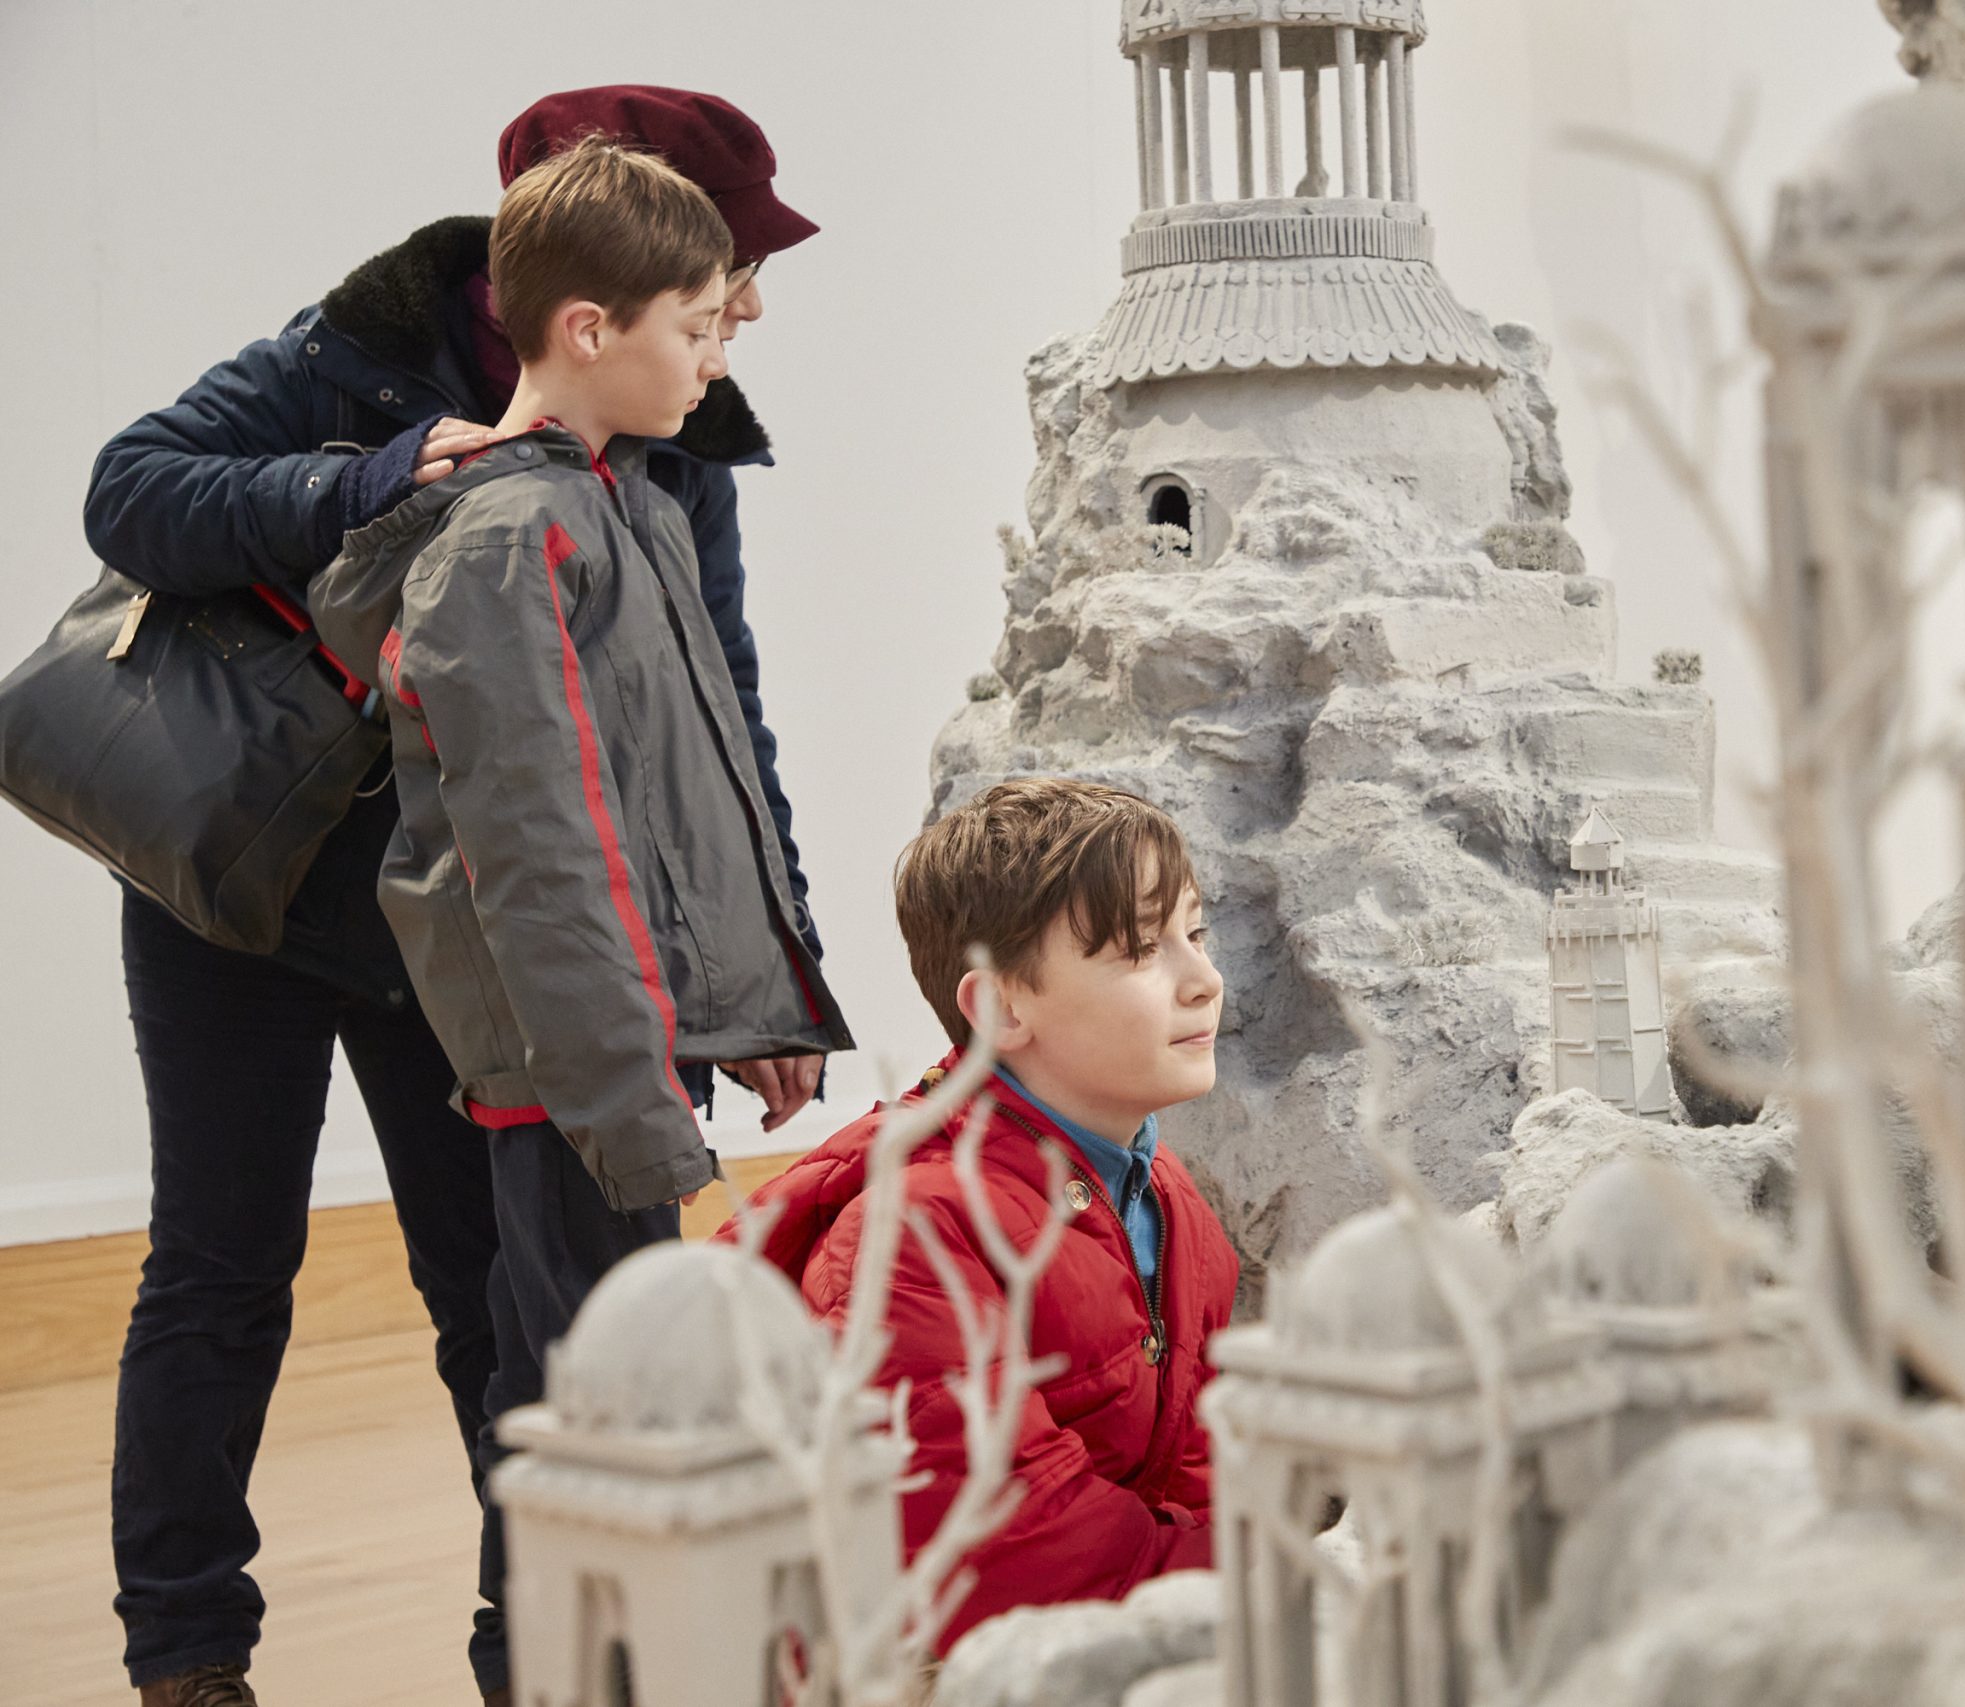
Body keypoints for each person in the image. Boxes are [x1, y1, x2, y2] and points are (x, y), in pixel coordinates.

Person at [83, 85, 829, 1707]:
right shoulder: (361, 348)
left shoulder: (674, 450)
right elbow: (131, 489)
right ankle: (186, 1644)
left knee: (490, 1292)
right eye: (726, 264)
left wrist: (780, 966)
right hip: (246, 888)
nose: (751, 304)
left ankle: (533, 1642)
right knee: (220, 1265)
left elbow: (718, 713)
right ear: (602, 249)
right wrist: (372, 473)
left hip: (464, 927)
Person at [307, 133, 854, 1703]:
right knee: (595, 1413)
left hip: (625, 1049)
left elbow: (693, 790)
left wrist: (756, 1009)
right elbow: (542, 850)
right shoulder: (506, 541)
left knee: (625, 1394)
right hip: (570, 1065)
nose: (714, 356)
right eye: (696, 325)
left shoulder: (634, 513)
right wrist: (625, 1088)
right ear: (591, 329)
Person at [731, 778, 1241, 1650]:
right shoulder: (914, 1241)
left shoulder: (1169, 1201)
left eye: (1194, 934)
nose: (1204, 980)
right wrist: (1250, 1583)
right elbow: (1008, 1550)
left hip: (1120, 1618)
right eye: (1141, 950)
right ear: (1003, 1006)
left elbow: (1196, 1468)